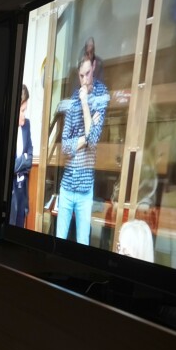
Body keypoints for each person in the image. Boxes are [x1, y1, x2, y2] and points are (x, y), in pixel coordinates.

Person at [56, 52, 110, 245]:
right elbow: (65, 146)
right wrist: (84, 139)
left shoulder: (101, 95)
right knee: (59, 241)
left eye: (88, 74)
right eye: (81, 75)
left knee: (82, 243)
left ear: (93, 68)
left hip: (86, 188)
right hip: (67, 185)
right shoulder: (72, 99)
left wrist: (86, 104)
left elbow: (94, 139)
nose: (85, 79)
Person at [10, 85, 33, 228]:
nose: (24, 115)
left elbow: (30, 157)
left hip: (21, 190)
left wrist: (22, 161)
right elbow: (9, 166)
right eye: (22, 110)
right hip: (11, 192)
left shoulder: (27, 125)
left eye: (25, 110)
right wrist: (22, 161)